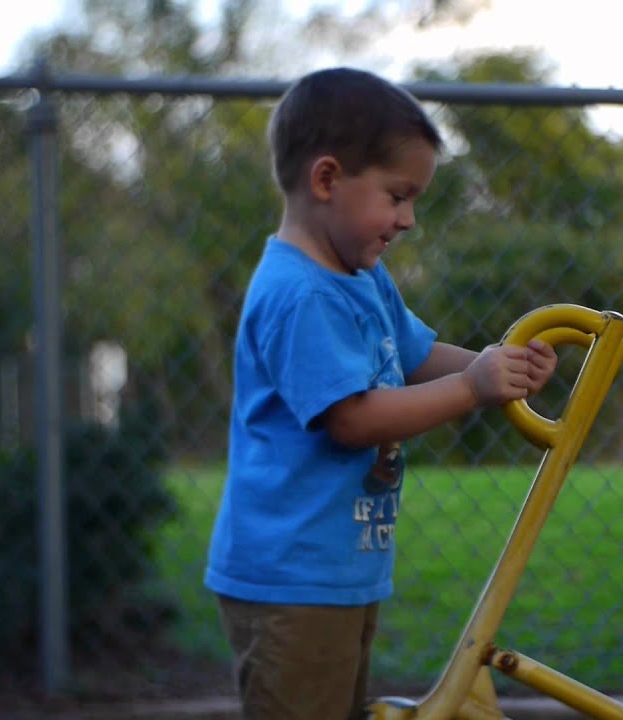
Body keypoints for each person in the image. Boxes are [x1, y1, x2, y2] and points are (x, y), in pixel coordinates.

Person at [204, 67, 558, 719]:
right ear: (327, 180)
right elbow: (352, 418)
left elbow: (416, 355)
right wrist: (473, 387)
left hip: (337, 569)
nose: (410, 219)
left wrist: (496, 364)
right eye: (398, 196)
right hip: (290, 577)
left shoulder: (361, 274)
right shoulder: (299, 293)